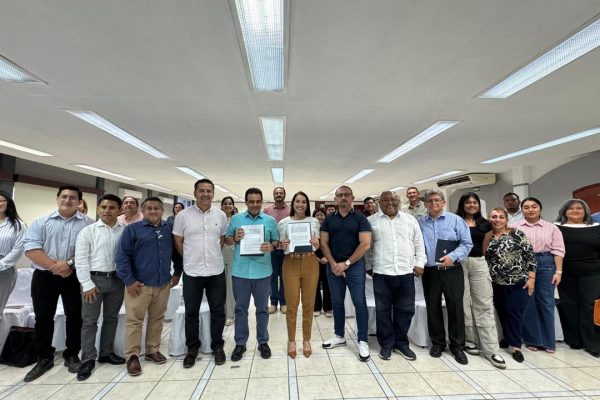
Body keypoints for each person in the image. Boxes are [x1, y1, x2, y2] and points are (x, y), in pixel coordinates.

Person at [23, 185, 94, 382]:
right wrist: (56, 267)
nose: (68, 200)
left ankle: (72, 354)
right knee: (43, 317)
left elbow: (91, 251)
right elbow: (31, 249)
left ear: (79, 201)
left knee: (75, 316)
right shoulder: (41, 222)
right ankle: (44, 357)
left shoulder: (88, 224)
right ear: (57, 199)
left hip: (75, 276)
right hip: (44, 276)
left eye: (72, 197)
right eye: (64, 196)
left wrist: (68, 264)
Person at [116, 197, 183, 376]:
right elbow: (122, 257)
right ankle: (132, 356)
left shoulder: (169, 229)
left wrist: (177, 272)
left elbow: (177, 254)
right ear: (143, 211)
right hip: (138, 285)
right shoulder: (132, 230)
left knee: (157, 318)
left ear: (162, 211)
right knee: (134, 321)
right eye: (149, 208)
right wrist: (129, 281)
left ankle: (152, 350)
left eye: (157, 208)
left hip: (162, 284)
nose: (153, 211)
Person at [173, 179, 228, 368]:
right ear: (195, 193)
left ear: (213, 194)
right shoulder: (183, 216)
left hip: (216, 270)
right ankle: (192, 349)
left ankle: (217, 346)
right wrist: (190, 258)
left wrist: (211, 255)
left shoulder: (220, 215)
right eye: (202, 190)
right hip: (192, 271)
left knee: (218, 311)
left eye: (209, 191)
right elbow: (178, 242)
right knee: (191, 312)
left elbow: (221, 240)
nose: (205, 194)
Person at [366, 191, 425, 361]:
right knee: (383, 311)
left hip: (405, 272)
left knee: (405, 310)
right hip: (382, 273)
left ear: (399, 201)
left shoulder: (410, 220)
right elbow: (366, 246)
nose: (389, 202)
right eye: (385, 200)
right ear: (379, 202)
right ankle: (386, 344)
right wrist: (369, 266)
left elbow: (418, 243)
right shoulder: (371, 221)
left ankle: (401, 343)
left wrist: (420, 263)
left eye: (393, 199)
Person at [418, 189, 472, 365]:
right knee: (432, 307)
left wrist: (453, 257)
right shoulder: (419, 223)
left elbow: (467, 243)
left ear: (443, 202)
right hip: (430, 271)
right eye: (429, 201)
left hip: (452, 269)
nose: (433, 203)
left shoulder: (456, 220)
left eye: (437, 200)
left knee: (455, 307)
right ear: (425, 204)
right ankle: (438, 343)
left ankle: (457, 346)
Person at [75, 194, 126, 381]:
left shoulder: (125, 231)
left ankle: (106, 352)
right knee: (89, 321)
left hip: (117, 281)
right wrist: (86, 284)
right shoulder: (87, 231)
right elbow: (81, 261)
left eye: (112, 207)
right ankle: (88, 359)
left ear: (119, 210)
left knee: (111, 318)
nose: (107, 211)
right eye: (103, 207)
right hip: (93, 281)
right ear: (98, 209)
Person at [225, 188, 279, 362]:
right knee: (240, 309)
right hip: (240, 272)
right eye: (251, 201)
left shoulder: (270, 221)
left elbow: (276, 240)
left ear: (261, 201)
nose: (255, 204)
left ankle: (263, 342)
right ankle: (240, 343)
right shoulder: (236, 219)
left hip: (262, 272)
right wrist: (235, 238)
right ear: (246, 202)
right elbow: (227, 239)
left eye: (258, 201)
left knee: (262, 309)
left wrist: (271, 246)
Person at [320, 185, 372, 362]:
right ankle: (339, 335)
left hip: (354, 266)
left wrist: (347, 263)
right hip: (334, 266)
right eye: (340, 195)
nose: (343, 197)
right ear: (335, 199)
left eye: (347, 195)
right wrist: (334, 264)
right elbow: (323, 243)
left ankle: (362, 340)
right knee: (337, 302)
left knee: (359, 303)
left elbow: (365, 244)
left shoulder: (361, 218)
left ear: (352, 198)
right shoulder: (329, 219)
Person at [455, 193, 505, 369]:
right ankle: (470, 341)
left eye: (474, 202)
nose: (471, 205)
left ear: (478, 205)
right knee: (464, 304)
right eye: (468, 202)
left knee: (484, 304)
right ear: (462, 204)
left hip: (478, 263)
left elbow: (483, 248)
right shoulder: (455, 221)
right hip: (459, 263)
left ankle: (491, 349)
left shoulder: (485, 224)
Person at [512, 197, 564, 353]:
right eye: (526, 207)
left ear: (540, 208)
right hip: (523, 265)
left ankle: (549, 342)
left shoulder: (552, 227)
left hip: (546, 263)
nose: (530, 210)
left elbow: (558, 250)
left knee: (546, 302)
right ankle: (533, 339)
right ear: (522, 210)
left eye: (534, 206)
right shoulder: (514, 227)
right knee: (528, 302)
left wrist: (559, 271)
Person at [484, 208, 536, 362]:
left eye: (501, 217)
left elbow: (530, 256)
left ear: (506, 219)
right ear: (489, 219)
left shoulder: (517, 234)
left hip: (518, 281)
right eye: (494, 217)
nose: (497, 220)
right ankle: (507, 338)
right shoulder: (487, 236)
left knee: (514, 312)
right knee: (502, 311)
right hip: (495, 282)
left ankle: (516, 346)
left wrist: (532, 278)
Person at [278, 191, 321, 358]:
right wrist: (283, 244)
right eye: (297, 201)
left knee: (309, 304)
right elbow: (281, 246)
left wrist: (316, 243)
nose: (300, 204)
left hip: (310, 262)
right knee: (292, 305)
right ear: (293, 204)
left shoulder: (314, 221)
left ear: (307, 204)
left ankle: (306, 339)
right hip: (291, 263)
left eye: (303, 202)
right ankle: (291, 340)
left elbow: (317, 245)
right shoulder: (284, 223)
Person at [555, 199, 600, 357]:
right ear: (564, 211)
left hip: (592, 273)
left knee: (589, 306)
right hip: (565, 273)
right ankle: (574, 339)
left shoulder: (596, 227)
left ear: (585, 211)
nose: (575, 210)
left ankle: (592, 342)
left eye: (579, 208)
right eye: (571, 208)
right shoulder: (556, 228)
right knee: (569, 305)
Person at [264, 186, 290, 314]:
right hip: (272, 249)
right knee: (272, 277)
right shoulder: (267, 210)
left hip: (286, 249)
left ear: (284, 195)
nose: (279, 194)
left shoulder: (291, 209)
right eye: (277, 193)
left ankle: (284, 302)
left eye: (281, 193)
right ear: (274, 195)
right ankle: (273, 303)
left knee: (285, 277)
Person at [0, 191, 26, 318]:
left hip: (4, 270)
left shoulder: (18, 225)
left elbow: (18, 249)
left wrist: (1, 264)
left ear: (8, 203)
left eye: (1, 200)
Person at [312, 208, 332, 318]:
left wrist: (327, 258)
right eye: (317, 215)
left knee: (327, 284)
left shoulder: (329, 228)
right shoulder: (311, 229)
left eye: (321, 215)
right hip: (314, 260)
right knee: (315, 284)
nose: (320, 217)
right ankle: (316, 307)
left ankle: (328, 307)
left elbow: (332, 244)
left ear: (325, 216)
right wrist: (315, 257)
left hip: (327, 260)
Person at [221, 196, 237, 326]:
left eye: (230, 203)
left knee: (230, 285)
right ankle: (220, 312)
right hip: (218, 253)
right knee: (219, 285)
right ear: (222, 206)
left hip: (233, 253)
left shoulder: (237, 220)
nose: (228, 205)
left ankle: (230, 314)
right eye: (225, 203)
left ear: (233, 206)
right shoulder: (217, 219)